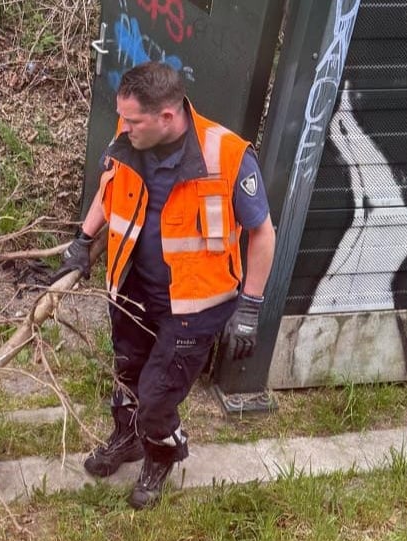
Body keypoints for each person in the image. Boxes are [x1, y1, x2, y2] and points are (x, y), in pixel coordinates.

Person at [55, 61, 276, 509]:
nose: (125, 127)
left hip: (194, 306)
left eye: (134, 120)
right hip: (133, 289)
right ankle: (128, 439)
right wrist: (82, 239)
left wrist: (250, 306)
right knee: (128, 375)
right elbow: (110, 187)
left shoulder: (228, 156)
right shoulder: (132, 135)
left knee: (157, 396)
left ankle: (162, 451)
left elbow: (263, 233)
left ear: (167, 118)